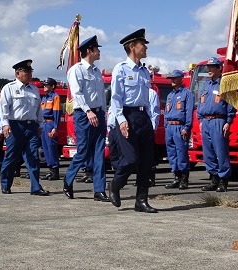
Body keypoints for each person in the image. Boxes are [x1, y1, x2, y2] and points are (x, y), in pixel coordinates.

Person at [108, 28, 157, 213]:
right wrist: (121, 120)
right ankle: (115, 184)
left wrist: (150, 120)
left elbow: (148, 98)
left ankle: (141, 201)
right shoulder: (121, 69)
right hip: (127, 116)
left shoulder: (145, 71)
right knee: (130, 159)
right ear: (132, 47)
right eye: (142, 44)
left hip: (143, 117)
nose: (145, 48)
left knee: (146, 161)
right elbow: (116, 98)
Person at [63, 35, 109, 202]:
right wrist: (89, 111)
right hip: (84, 114)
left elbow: (101, 96)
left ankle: (99, 190)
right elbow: (77, 93)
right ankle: (68, 181)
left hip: (98, 114)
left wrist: (103, 113)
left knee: (99, 152)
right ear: (89, 51)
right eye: (97, 49)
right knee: (82, 152)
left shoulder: (96, 71)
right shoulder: (76, 70)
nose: (99, 51)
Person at [0, 59, 49, 196]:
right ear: (17, 73)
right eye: (26, 71)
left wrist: (39, 124)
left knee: (33, 156)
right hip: (15, 126)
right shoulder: (9, 88)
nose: (29, 74)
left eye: (30, 71)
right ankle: (6, 184)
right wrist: (5, 124)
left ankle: (36, 187)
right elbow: (4, 109)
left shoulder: (34, 89)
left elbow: (38, 109)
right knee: (11, 157)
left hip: (31, 126)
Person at [197, 57, 236, 192]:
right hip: (205, 121)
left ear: (220, 68)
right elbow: (201, 103)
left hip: (219, 121)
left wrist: (228, 121)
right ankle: (213, 179)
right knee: (208, 153)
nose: (209, 69)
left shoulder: (225, 85)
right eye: (208, 67)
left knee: (221, 151)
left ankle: (223, 180)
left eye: (213, 66)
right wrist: (200, 119)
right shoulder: (206, 85)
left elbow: (231, 104)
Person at [164, 70, 195, 190]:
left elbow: (188, 112)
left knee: (181, 153)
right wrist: (166, 126)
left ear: (181, 79)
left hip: (180, 126)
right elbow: (167, 112)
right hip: (170, 127)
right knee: (172, 154)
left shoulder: (187, 94)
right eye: (171, 78)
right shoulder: (170, 95)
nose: (172, 80)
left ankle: (184, 179)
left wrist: (186, 127)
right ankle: (176, 177)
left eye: (175, 78)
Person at [40, 77, 61, 180]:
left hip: (50, 124)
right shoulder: (44, 98)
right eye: (44, 85)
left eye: (46, 85)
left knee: (51, 147)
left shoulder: (55, 97)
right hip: (43, 124)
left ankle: (55, 170)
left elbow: (56, 112)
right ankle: (50, 169)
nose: (44, 86)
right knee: (46, 148)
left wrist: (55, 127)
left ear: (52, 86)